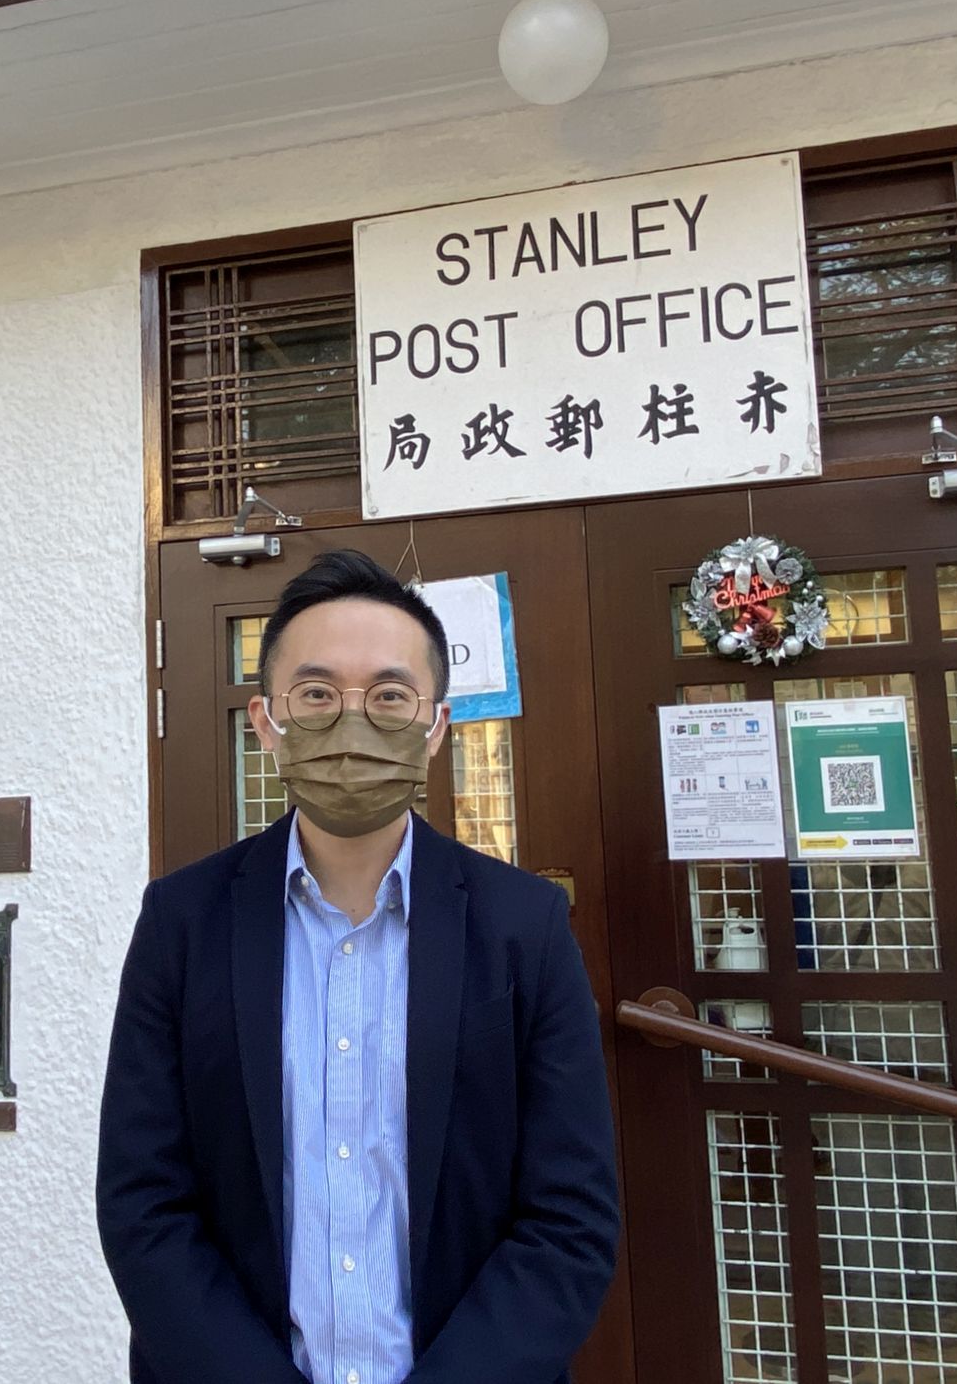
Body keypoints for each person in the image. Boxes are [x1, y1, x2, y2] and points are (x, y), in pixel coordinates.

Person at [98, 550, 619, 1384]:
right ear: (267, 722)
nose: (352, 724)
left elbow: (570, 1220)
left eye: (387, 696)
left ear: (437, 725)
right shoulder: (183, 921)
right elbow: (144, 1202)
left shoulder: (525, 926)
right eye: (315, 695)